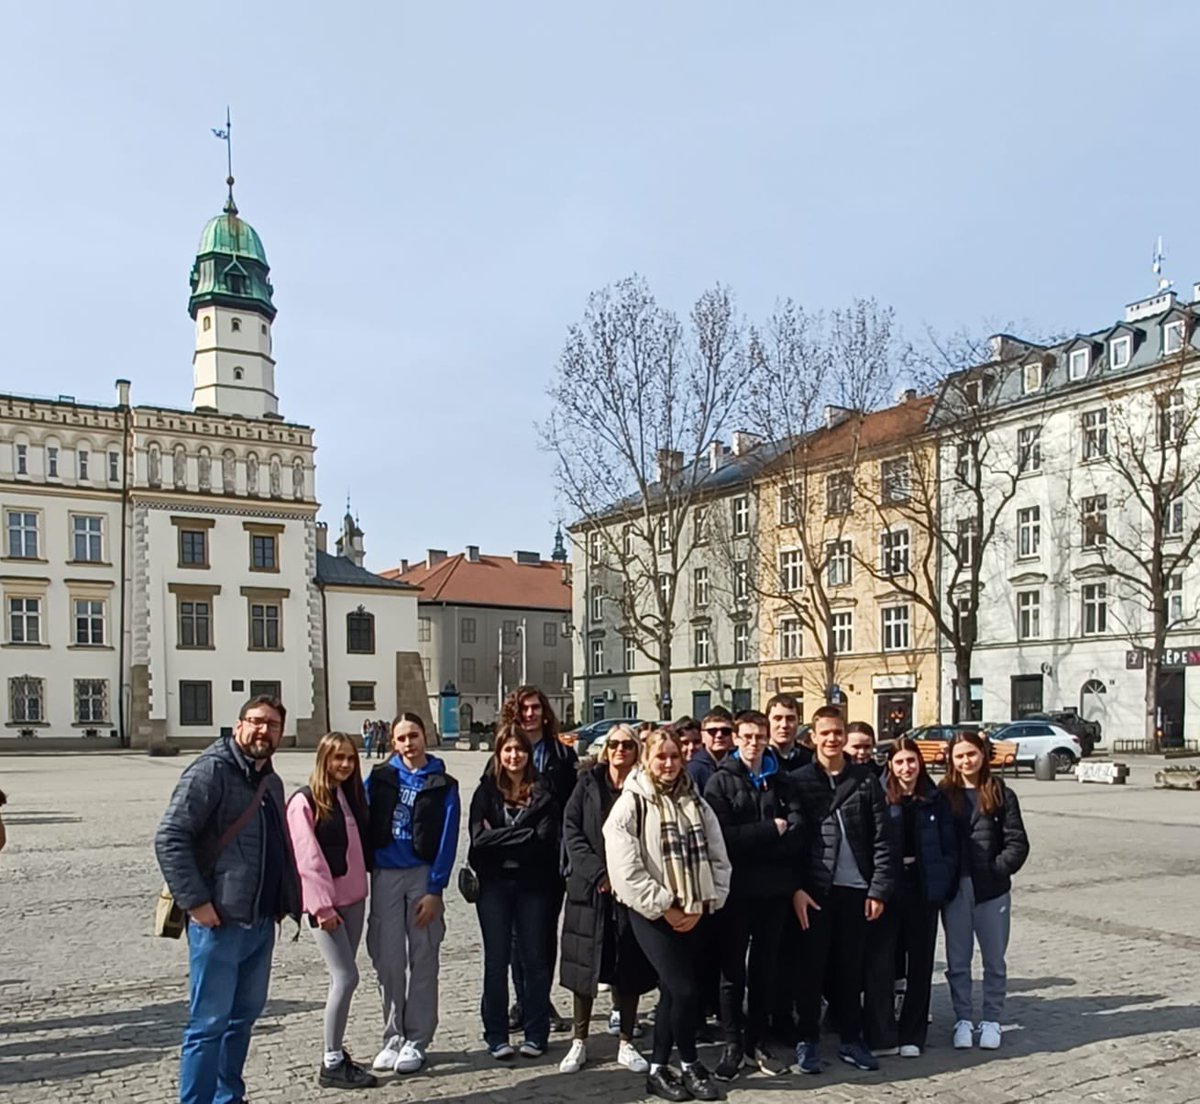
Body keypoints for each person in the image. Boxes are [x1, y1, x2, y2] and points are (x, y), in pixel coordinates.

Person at [155, 695, 300, 1104]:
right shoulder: (211, 771)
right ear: (238, 726)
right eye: (255, 722)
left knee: (242, 1020)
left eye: (272, 725)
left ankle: (227, 1096)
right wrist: (196, 902)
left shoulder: (270, 780)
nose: (263, 731)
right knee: (208, 1024)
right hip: (218, 921)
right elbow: (170, 838)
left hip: (259, 920)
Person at [604, 728, 731, 1102]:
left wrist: (711, 899)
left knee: (673, 995)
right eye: (662, 757)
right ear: (647, 759)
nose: (670, 764)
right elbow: (624, 866)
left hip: (695, 908)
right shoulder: (633, 802)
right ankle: (690, 1062)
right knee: (684, 990)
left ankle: (659, 1069)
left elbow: (717, 853)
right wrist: (665, 907)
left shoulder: (696, 800)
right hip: (652, 912)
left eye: (675, 756)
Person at [790, 705, 896, 1075]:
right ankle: (807, 1039)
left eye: (838, 732)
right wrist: (797, 889)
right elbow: (793, 843)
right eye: (826, 733)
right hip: (815, 890)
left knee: (851, 970)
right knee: (810, 969)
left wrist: (878, 889)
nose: (832, 739)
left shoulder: (866, 780)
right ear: (813, 737)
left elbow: (884, 839)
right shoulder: (799, 780)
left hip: (856, 889)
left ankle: (852, 1038)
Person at [703, 710, 802, 1080]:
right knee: (732, 971)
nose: (753, 743)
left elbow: (796, 830)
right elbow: (723, 838)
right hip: (736, 890)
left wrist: (765, 836)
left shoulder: (782, 781)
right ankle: (732, 1042)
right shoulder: (720, 782)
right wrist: (768, 831)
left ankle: (757, 1039)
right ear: (735, 738)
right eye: (745, 736)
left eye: (759, 737)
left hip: (774, 891)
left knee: (765, 968)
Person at [365, 713, 460, 1075]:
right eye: (402, 738)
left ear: (425, 737)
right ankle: (393, 1036)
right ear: (393, 742)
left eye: (415, 736)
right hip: (386, 874)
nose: (409, 744)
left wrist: (436, 888)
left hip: (422, 876)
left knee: (423, 957)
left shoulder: (442, 782)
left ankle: (417, 1039)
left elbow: (449, 837)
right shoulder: (379, 777)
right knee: (387, 959)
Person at [557, 725, 655, 1076]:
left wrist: (630, 879)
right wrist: (598, 874)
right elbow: (572, 831)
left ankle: (626, 1041)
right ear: (605, 749)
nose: (620, 750)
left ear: (636, 749)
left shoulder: (645, 787)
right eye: (613, 744)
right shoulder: (587, 783)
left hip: (631, 892)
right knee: (585, 965)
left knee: (628, 965)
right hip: (590, 889)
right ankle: (579, 1040)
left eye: (627, 745)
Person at [286, 732, 375, 1090]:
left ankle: (336, 1051)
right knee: (346, 977)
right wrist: (321, 906)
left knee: (346, 978)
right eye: (337, 758)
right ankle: (331, 1061)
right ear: (323, 759)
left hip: (354, 900)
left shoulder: (350, 796)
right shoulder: (305, 802)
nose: (344, 765)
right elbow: (306, 860)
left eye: (350, 759)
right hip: (328, 907)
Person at [469, 725, 563, 1060]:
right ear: (498, 753)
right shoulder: (485, 792)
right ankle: (496, 1034)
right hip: (494, 887)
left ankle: (536, 1032)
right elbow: (478, 841)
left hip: (534, 886)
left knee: (535, 961)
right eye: (507, 749)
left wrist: (504, 837)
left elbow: (543, 842)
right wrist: (521, 835)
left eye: (519, 750)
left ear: (528, 754)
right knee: (496, 961)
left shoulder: (543, 792)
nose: (513, 756)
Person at [861, 738, 958, 1058]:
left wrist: (944, 880)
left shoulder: (934, 797)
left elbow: (949, 845)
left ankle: (914, 1033)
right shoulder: (878, 794)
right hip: (887, 886)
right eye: (899, 762)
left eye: (911, 761)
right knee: (880, 962)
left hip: (922, 886)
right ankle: (881, 1034)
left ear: (920, 763)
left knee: (920, 963)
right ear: (890, 765)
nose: (906, 768)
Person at [940, 730, 1030, 1051]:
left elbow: (1017, 842)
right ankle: (963, 1018)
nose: (966, 761)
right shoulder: (943, 793)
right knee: (958, 960)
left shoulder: (1000, 792)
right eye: (960, 755)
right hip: (955, 890)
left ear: (983, 754)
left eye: (972, 754)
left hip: (991, 889)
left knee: (994, 960)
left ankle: (991, 1018)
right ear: (951, 758)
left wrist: (997, 869)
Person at [500, 686, 576, 1033]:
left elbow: (573, 804)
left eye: (535, 708)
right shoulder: (507, 751)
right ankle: (522, 1001)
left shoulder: (562, 754)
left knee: (544, 933)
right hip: (515, 858)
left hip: (551, 855)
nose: (530, 714)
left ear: (545, 712)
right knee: (517, 935)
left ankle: (541, 999)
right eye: (523, 709)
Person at [686, 707, 734, 793]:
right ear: (702, 736)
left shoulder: (742, 765)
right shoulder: (692, 769)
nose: (719, 735)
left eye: (725, 731)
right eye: (712, 731)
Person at [767, 693, 812, 773]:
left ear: (799, 721)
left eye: (790, 719)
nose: (784, 725)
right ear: (767, 721)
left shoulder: (811, 759)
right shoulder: (758, 758)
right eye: (777, 718)